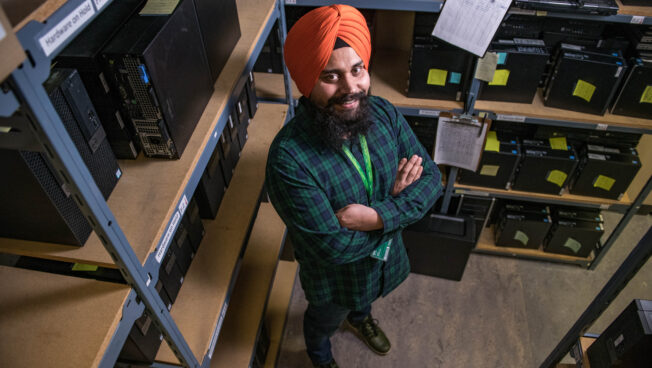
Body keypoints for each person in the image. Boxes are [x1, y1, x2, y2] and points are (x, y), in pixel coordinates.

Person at [265, 4, 442, 368]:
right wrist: (399, 212)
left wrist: (378, 216)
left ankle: (361, 318)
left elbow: (432, 180)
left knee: (365, 299)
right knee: (323, 320)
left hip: (381, 260)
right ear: (306, 79)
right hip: (334, 280)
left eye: (357, 70)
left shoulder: (384, 112)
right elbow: (333, 247)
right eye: (330, 76)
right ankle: (319, 354)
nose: (351, 88)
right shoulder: (288, 160)